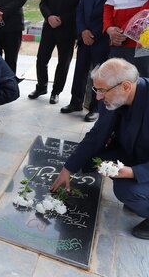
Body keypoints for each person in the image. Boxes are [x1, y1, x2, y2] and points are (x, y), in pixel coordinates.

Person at [51, 58, 149, 239]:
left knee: (127, 190)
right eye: (96, 89)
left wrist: (133, 172)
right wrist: (68, 168)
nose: (97, 97)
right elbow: (97, 135)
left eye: (102, 90)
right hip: (132, 150)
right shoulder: (114, 97)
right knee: (90, 160)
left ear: (126, 86)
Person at [60, 0, 116, 122]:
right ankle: (75, 102)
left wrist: (94, 34)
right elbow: (81, 9)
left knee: (99, 76)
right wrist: (83, 31)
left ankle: (95, 108)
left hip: (102, 38)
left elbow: (112, 13)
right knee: (80, 72)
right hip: (85, 37)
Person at [28, 0, 89, 104]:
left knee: (63, 63)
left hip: (68, 30)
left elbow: (80, 8)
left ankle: (56, 92)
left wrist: (62, 19)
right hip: (49, 28)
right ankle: (41, 86)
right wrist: (49, 17)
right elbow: (43, 4)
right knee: (41, 59)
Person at [103, 0, 149, 77]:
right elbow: (109, 4)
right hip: (117, 43)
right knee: (115, 84)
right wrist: (109, 28)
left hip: (141, 45)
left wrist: (124, 30)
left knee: (141, 86)